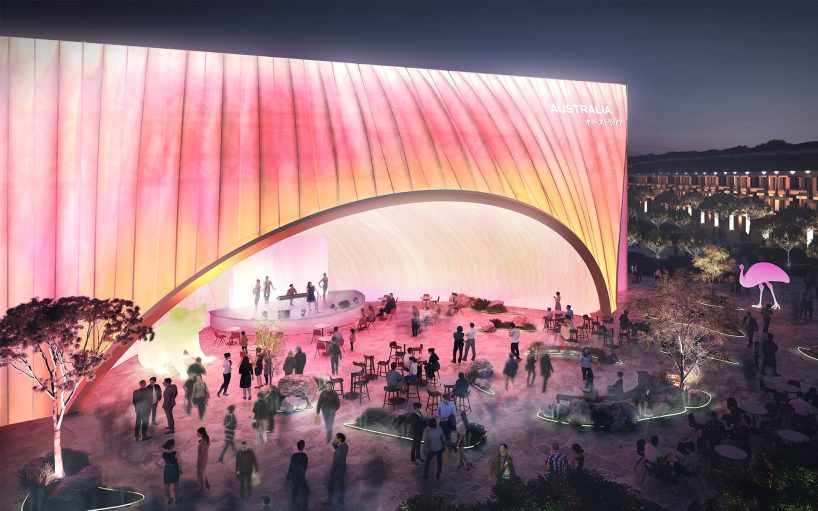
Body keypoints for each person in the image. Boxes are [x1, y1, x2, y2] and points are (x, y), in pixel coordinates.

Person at [287, 440, 309, 511]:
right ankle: (304, 508)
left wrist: (288, 476)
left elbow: (290, 467)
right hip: (301, 477)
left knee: (295, 491)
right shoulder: (305, 456)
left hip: (294, 477)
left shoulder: (294, 456)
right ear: (303, 447)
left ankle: (293, 506)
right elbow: (305, 468)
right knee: (306, 492)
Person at [327, 433, 348, 507]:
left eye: (336, 438)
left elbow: (336, 462)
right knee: (342, 485)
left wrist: (332, 470)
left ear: (339, 439)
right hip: (343, 469)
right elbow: (337, 447)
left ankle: (329, 502)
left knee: (330, 486)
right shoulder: (345, 446)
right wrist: (335, 443)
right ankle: (341, 500)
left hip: (336, 471)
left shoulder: (338, 451)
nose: (335, 439)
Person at [159, 439, 182, 504]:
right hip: (174, 469)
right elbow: (179, 463)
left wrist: (162, 467)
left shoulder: (163, 454)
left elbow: (156, 462)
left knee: (166, 487)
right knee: (176, 485)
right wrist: (181, 470)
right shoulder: (176, 453)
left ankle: (169, 499)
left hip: (167, 470)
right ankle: (176, 499)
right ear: (172, 446)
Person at [196, 427, 210, 491]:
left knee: (201, 472)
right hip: (205, 457)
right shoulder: (205, 439)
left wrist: (198, 462)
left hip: (203, 458)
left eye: (198, 433)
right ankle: (206, 483)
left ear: (201, 433)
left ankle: (202, 486)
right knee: (203, 470)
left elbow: (201, 454)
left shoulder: (203, 442)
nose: (197, 434)